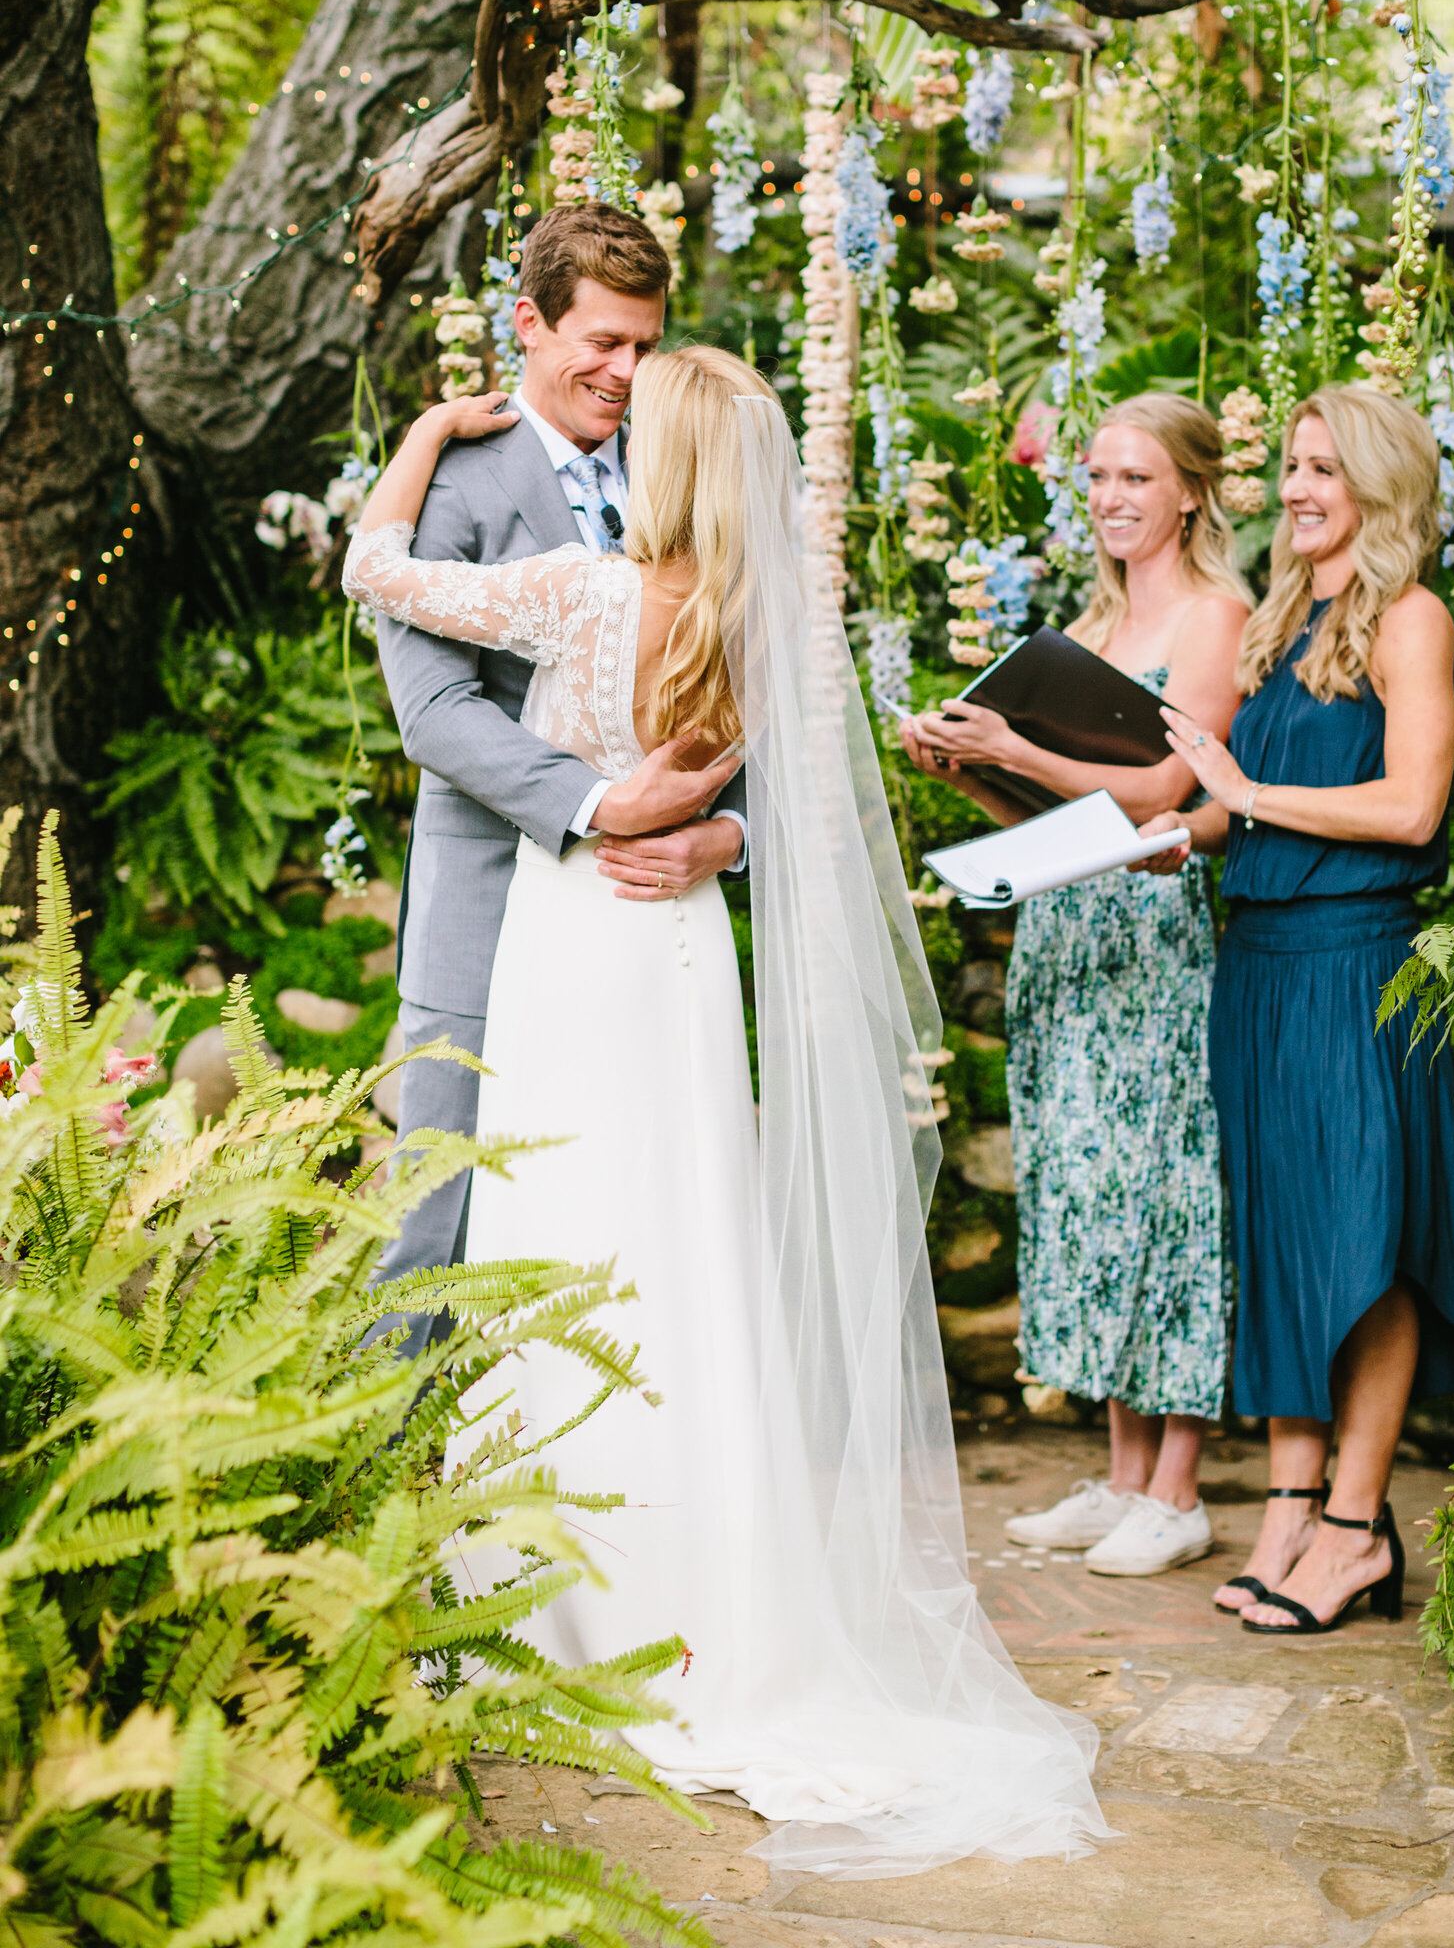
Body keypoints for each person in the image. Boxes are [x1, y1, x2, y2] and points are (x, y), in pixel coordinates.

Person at [343, 342, 1109, 1876]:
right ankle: (704, 1608)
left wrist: (425, 431)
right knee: (686, 1245)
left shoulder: (580, 589)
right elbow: (805, 811)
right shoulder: (757, 619)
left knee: (556, 1238)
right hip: (681, 959)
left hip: (573, 938)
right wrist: (719, 831)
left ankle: (538, 1608)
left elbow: (377, 567)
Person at [368, 205, 748, 1357]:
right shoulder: (457, 481)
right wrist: (597, 807)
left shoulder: (687, 464)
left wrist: (722, 836)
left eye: (644, 344)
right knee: (440, 1228)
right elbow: (433, 709)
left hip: (649, 925)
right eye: (602, 343)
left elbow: (765, 708)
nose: (626, 372)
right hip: (488, 910)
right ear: (529, 324)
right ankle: (384, 1513)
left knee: (634, 1226)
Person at [1141, 386, 1454, 1636]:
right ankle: (1289, 1506)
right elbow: (1247, 800)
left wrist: (1247, 794)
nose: (1295, 489)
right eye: (1288, 466)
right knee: (1283, 1241)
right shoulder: (1288, 616)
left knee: (1365, 1246)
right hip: (1262, 960)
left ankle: (1352, 1528)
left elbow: (1408, 809)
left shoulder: (1411, 619)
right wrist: (1184, 829)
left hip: (1356, 965)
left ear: (1380, 486)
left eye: (1324, 469)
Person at [900, 396, 1249, 1579]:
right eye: (1097, 477)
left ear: (1190, 491)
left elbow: (1162, 790)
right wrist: (968, 769)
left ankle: (1181, 1489)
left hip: (1151, 931)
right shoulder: (1090, 619)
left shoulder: (1214, 617)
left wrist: (1016, 749)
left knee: (1159, 1190)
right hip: (1065, 928)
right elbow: (1053, 813)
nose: (1109, 498)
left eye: (1136, 479)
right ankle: (1117, 1476)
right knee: (1083, 1197)